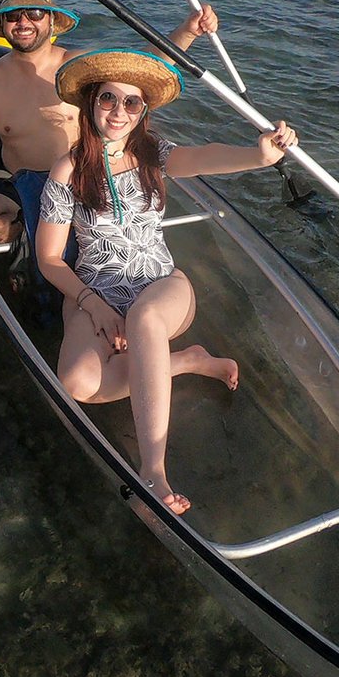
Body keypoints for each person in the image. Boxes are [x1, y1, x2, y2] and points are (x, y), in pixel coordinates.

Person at [35, 47, 297, 516]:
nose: (119, 112)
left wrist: (258, 157)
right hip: (97, 291)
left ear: (144, 110)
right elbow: (50, 259)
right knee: (76, 384)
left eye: (131, 103)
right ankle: (186, 361)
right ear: (91, 103)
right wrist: (92, 304)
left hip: (160, 285)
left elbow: (204, 157)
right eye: (108, 99)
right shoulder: (69, 170)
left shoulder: (153, 153)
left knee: (147, 318)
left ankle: (152, 470)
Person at [0, 0, 218, 243]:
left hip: (84, 179)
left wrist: (188, 31)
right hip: (22, 184)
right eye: (14, 15)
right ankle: (32, 241)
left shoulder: (79, 68)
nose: (24, 23)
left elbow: (143, 68)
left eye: (35, 14)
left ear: (51, 20)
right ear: (2, 23)